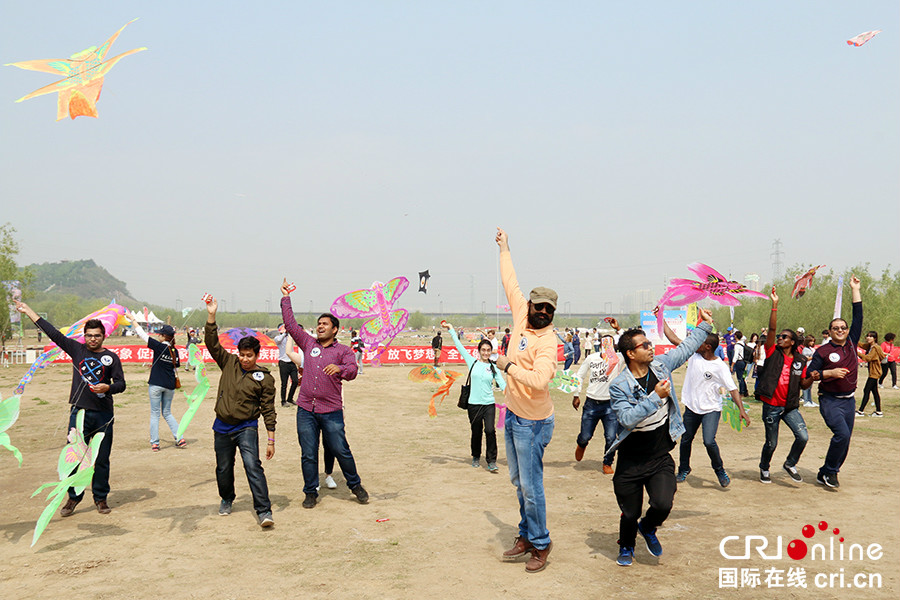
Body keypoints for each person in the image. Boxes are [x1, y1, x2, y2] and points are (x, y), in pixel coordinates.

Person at [606, 307, 715, 567]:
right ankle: (627, 545)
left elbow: (686, 348)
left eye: (650, 342)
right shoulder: (618, 385)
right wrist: (656, 397)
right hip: (631, 459)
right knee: (629, 512)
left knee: (663, 504)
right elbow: (627, 419)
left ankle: (649, 527)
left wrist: (705, 325)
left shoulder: (662, 366)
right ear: (631, 353)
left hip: (659, 455)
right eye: (644, 345)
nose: (651, 347)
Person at [15, 300, 125, 517]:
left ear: (104, 336)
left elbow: (122, 384)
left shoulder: (111, 358)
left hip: (104, 415)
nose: (93, 338)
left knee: (101, 458)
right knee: (74, 458)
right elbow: (53, 333)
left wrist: (108, 387)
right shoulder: (77, 349)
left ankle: (101, 499)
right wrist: (28, 311)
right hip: (79, 413)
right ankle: (73, 498)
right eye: (90, 335)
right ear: (84, 336)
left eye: (97, 335)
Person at [493, 227, 559, 574]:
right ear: (530, 305)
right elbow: (511, 282)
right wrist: (505, 248)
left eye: (549, 309)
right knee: (518, 482)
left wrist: (508, 365)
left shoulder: (548, 341)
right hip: (515, 416)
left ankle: (542, 542)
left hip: (534, 423)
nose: (543, 312)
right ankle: (526, 535)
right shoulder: (521, 313)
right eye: (539, 306)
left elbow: (539, 380)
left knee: (532, 487)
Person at [280, 279, 368, 508]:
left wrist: (340, 368)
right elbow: (291, 325)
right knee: (308, 453)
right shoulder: (309, 344)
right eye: (318, 323)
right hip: (306, 409)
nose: (320, 326)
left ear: (335, 329)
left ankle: (355, 485)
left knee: (341, 450)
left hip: (331, 411)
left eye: (325, 324)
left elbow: (352, 371)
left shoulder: (344, 351)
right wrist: (286, 298)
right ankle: (310, 492)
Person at [205, 297, 276, 527]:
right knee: (223, 467)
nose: (245, 359)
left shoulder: (264, 378)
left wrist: (271, 439)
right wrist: (212, 315)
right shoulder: (228, 363)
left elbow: (268, 409)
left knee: (252, 465)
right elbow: (212, 343)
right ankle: (227, 498)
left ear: (257, 355)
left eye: (249, 355)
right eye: (242, 354)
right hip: (222, 426)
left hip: (246, 427)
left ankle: (264, 511)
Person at [672, 330, 750, 487]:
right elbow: (675, 339)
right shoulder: (694, 355)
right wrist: (659, 317)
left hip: (711, 409)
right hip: (692, 408)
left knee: (708, 441)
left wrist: (741, 410)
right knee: (686, 439)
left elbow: (733, 389)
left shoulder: (719, 366)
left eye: (699, 342)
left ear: (707, 346)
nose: (695, 344)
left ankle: (719, 470)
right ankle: (684, 469)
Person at [807, 276, 863, 489]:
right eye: (836, 328)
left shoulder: (851, 342)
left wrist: (855, 290)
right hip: (830, 401)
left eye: (843, 327)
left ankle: (826, 472)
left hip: (849, 401)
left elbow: (858, 316)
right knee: (841, 434)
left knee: (846, 439)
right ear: (829, 332)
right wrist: (829, 373)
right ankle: (831, 472)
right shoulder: (822, 351)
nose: (840, 330)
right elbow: (811, 374)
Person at [755, 286, 815, 485]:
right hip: (771, 406)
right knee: (771, 443)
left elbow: (804, 385)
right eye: (779, 336)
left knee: (803, 437)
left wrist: (813, 378)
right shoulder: (772, 352)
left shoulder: (800, 360)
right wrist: (774, 305)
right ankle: (764, 468)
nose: (780, 338)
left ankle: (790, 463)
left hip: (790, 407)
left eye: (784, 337)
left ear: (793, 341)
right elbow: (771, 329)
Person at [444, 322, 506, 472]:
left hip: (489, 404)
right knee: (476, 431)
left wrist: (514, 395)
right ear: (479, 351)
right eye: (483, 350)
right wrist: (452, 330)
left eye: (488, 350)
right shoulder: (472, 362)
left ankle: (491, 461)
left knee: (490, 431)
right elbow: (459, 346)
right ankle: (476, 456)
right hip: (473, 404)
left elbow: (503, 385)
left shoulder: (493, 367)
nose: (486, 352)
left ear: (491, 351)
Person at [572, 327, 625, 474]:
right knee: (585, 436)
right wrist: (577, 395)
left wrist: (619, 330)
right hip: (591, 404)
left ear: (614, 345)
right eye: (605, 343)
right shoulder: (592, 358)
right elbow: (580, 376)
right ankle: (581, 444)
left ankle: (607, 462)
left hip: (610, 405)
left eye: (610, 344)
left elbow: (629, 344)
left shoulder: (619, 359)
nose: (607, 346)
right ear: (601, 344)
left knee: (610, 437)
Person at [130, 317, 186, 451]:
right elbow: (172, 366)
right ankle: (180, 438)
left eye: (160, 334)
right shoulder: (175, 351)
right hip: (169, 386)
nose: (158, 336)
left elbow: (143, 334)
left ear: (163, 336)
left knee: (155, 414)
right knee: (167, 413)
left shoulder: (159, 346)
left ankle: (155, 443)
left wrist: (133, 320)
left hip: (156, 384)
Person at [857, 331, 885, 417]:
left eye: (871, 336)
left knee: (866, 390)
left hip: (874, 373)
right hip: (873, 373)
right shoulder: (870, 346)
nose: (868, 338)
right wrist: (851, 337)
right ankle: (879, 412)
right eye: (867, 336)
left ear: (875, 338)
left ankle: (861, 411)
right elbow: (861, 345)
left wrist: (856, 352)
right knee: (875, 392)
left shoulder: (875, 348)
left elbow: (867, 358)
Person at [273, 323, 301, 407]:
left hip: (291, 361)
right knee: (284, 383)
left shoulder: (290, 337)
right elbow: (278, 340)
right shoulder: (278, 338)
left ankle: (290, 398)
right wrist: (285, 333)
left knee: (295, 381)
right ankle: (283, 401)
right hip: (283, 362)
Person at [800, 336, 818, 408]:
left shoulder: (810, 349)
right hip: (806, 368)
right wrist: (815, 357)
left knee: (810, 386)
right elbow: (806, 359)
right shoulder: (805, 349)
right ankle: (806, 400)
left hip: (811, 368)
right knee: (806, 386)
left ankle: (810, 400)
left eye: (813, 341)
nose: (812, 343)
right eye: (811, 341)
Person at [732, 331, 749, 397]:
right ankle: (745, 391)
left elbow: (736, 356)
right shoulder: (743, 343)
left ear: (735, 336)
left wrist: (732, 365)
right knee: (743, 377)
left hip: (739, 361)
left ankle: (741, 392)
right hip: (744, 361)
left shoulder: (737, 345)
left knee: (740, 378)